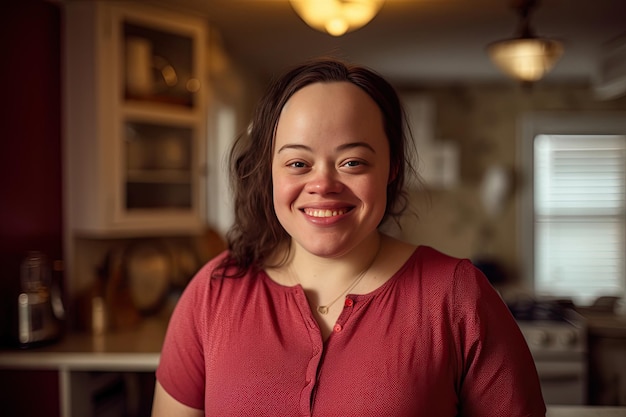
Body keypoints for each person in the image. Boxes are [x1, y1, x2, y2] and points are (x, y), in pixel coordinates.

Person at [152, 58, 546, 416]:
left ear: (391, 168)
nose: (322, 184)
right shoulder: (213, 293)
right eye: (297, 163)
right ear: (267, 170)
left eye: (352, 162)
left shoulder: (458, 297)